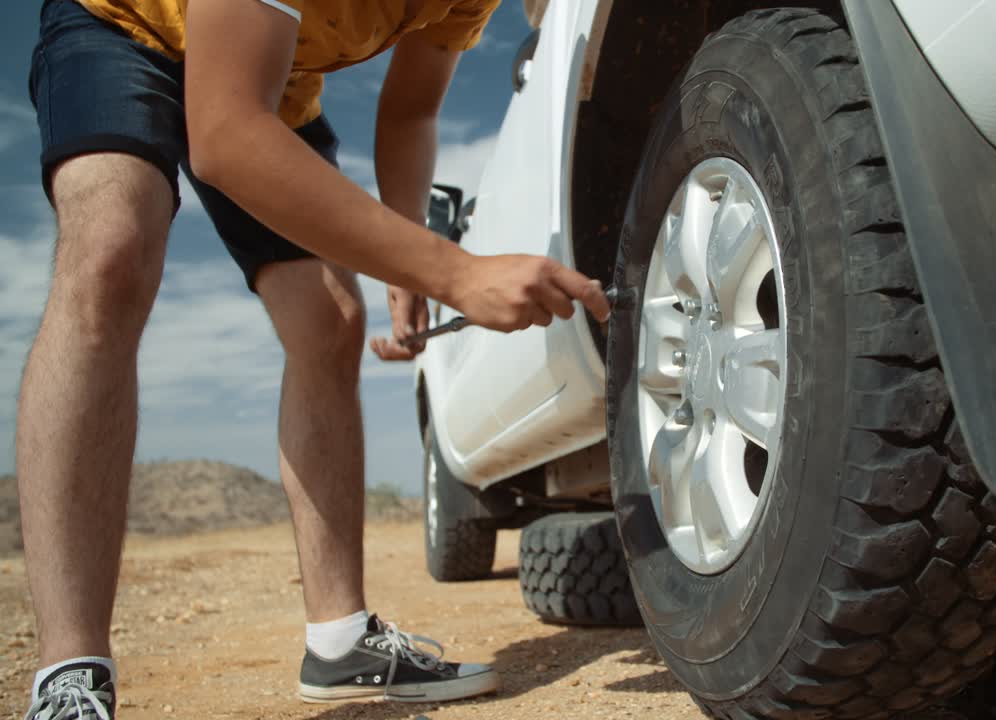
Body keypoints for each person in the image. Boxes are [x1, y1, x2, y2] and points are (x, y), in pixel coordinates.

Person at [18, 0, 612, 717]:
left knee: (330, 318)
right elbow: (225, 133)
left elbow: (412, 113)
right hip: (125, 26)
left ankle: (340, 643)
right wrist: (455, 272)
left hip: (273, 82)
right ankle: (71, 671)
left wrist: (405, 263)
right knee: (110, 251)